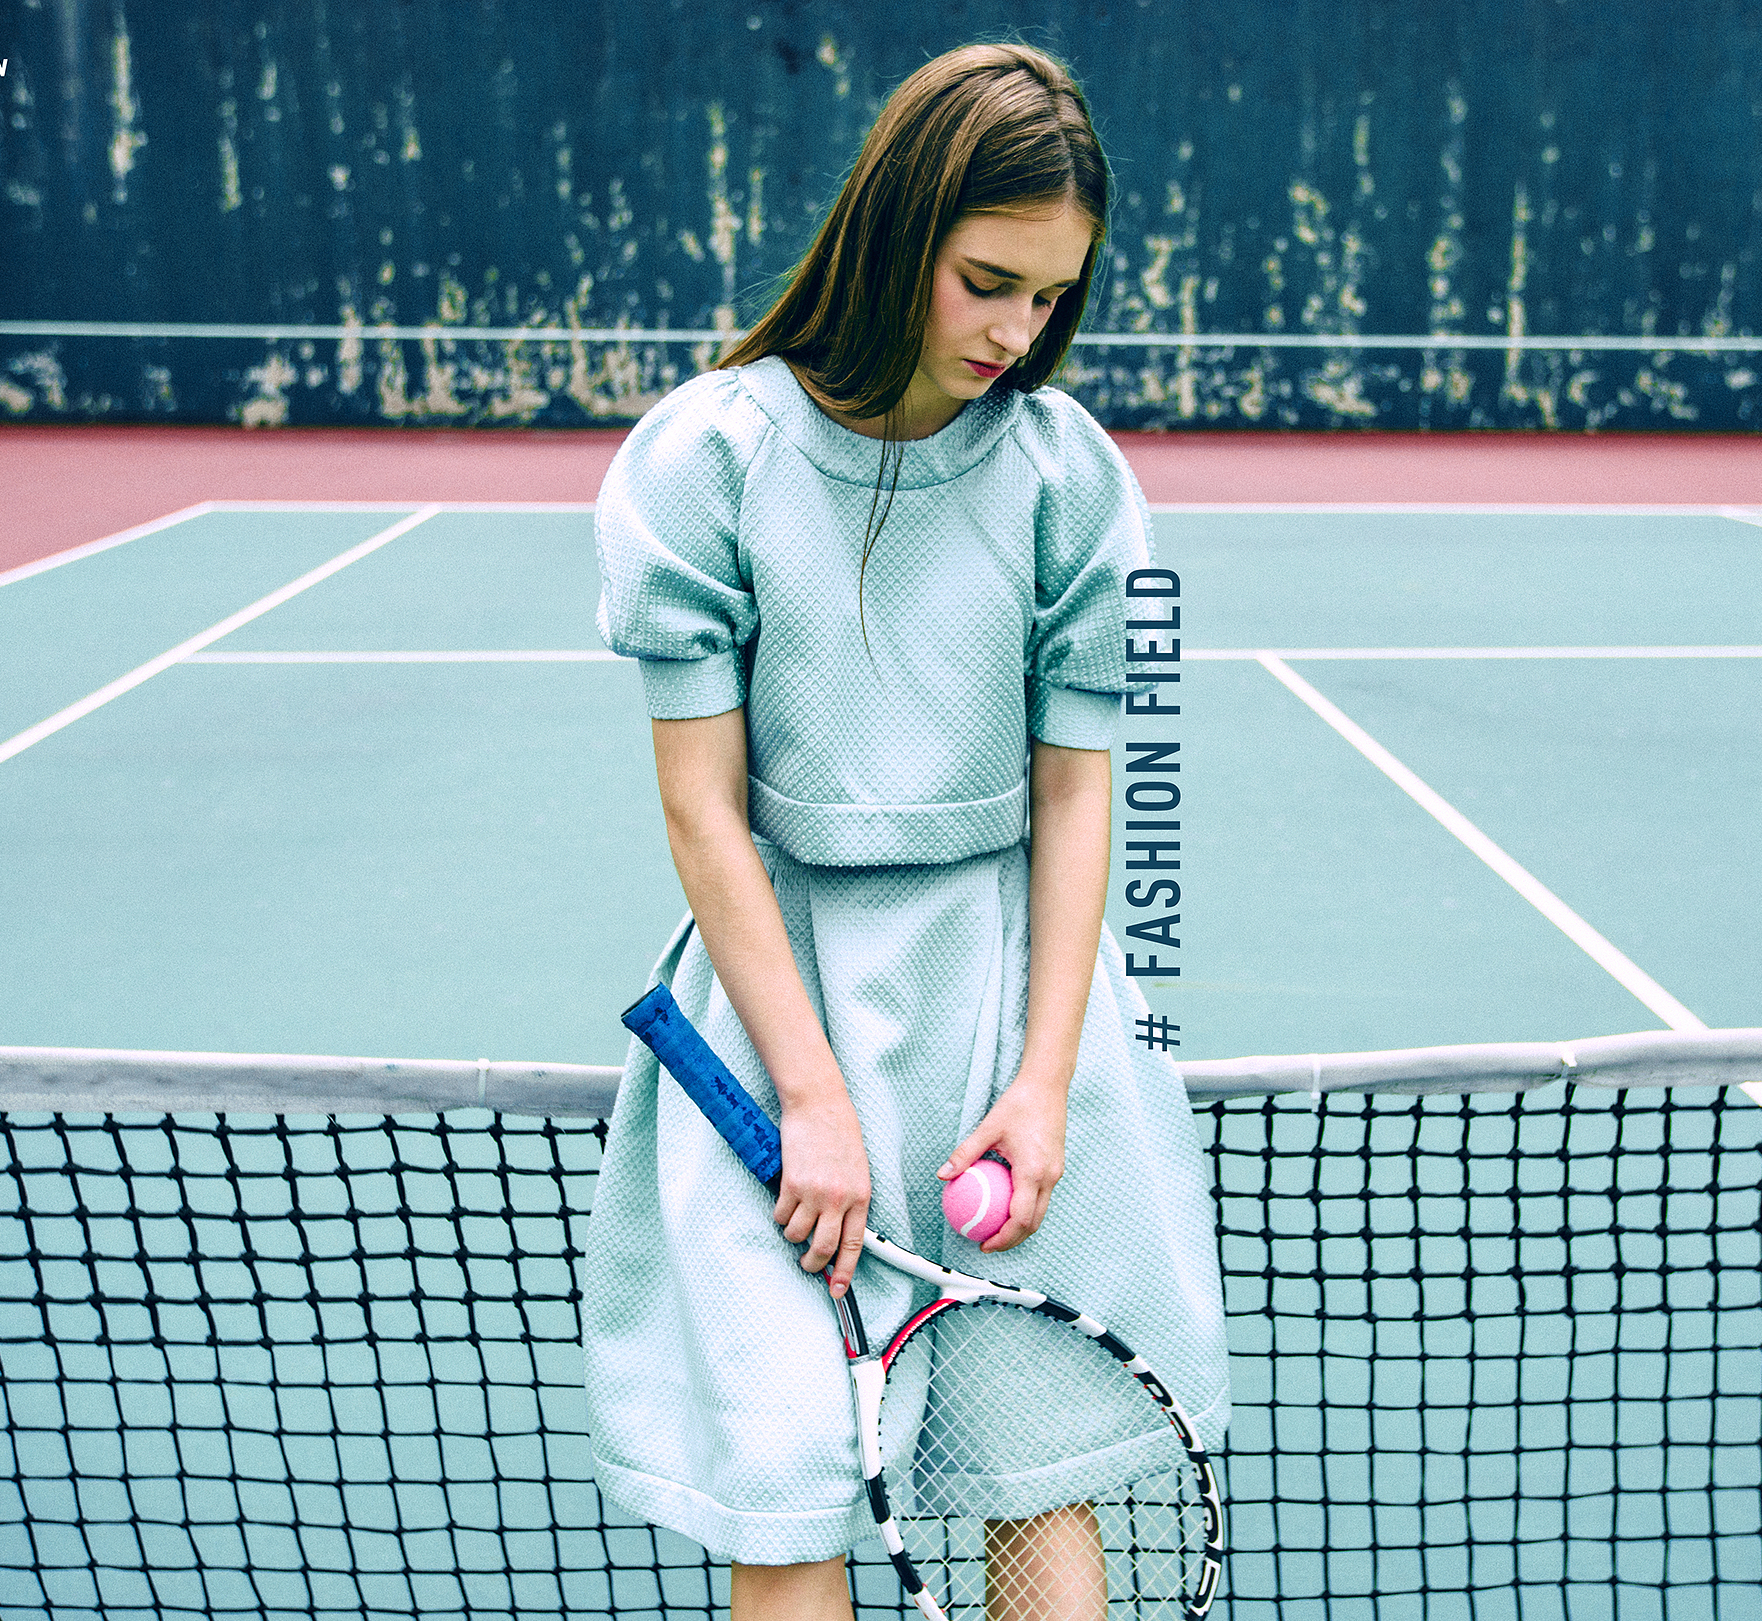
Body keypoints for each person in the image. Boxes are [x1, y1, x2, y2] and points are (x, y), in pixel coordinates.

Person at [584, 41, 1228, 1621]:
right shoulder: (707, 459)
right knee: (789, 1501)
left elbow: (1078, 792)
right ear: (894, 233)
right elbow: (702, 810)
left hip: (1009, 1015)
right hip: (774, 1029)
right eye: (987, 282)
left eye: (1051, 297)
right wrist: (810, 1095)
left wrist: (1044, 1080)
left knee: (1034, 1477)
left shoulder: (1069, 479)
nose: (1017, 333)